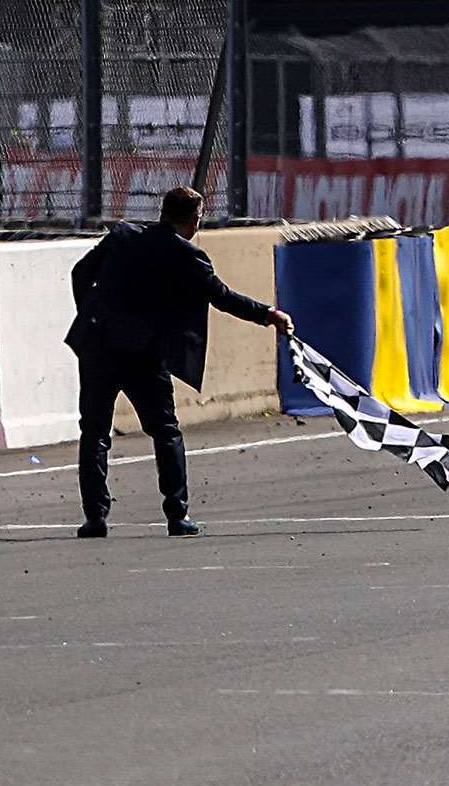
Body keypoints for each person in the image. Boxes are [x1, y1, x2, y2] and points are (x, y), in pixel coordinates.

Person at [65, 186, 295, 538]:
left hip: (98, 345)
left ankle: (95, 517)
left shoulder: (123, 236)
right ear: (192, 220)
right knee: (165, 431)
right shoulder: (187, 255)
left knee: (94, 432)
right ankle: (176, 514)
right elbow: (223, 298)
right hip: (144, 353)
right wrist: (269, 315)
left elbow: (80, 274)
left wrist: (95, 316)